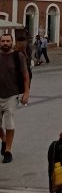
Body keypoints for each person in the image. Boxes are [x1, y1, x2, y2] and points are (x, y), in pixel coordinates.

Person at [0, 32, 30, 163]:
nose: (5, 43)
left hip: (11, 94)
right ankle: (4, 139)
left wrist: (26, 93)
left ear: (11, 42)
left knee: (9, 123)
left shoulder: (18, 56)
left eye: (7, 41)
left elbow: (25, 75)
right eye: (3, 41)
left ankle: (8, 151)